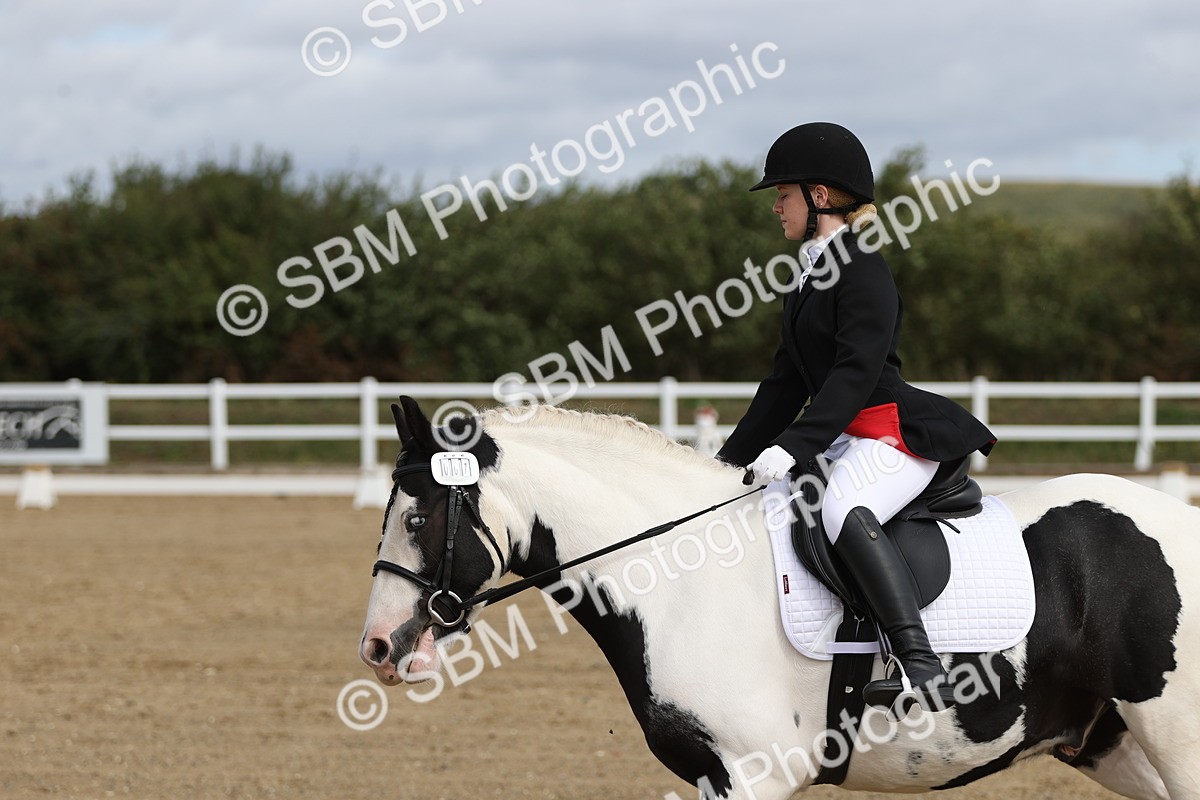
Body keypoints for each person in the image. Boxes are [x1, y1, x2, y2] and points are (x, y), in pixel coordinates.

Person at [717, 122, 996, 710]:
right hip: (846, 432)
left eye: (784, 195)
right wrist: (724, 462)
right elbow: (783, 384)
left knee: (844, 507)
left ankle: (916, 661)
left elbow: (856, 373)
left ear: (819, 197)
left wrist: (795, 445)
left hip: (895, 432)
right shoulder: (805, 279)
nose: (776, 207)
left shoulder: (863, 267)